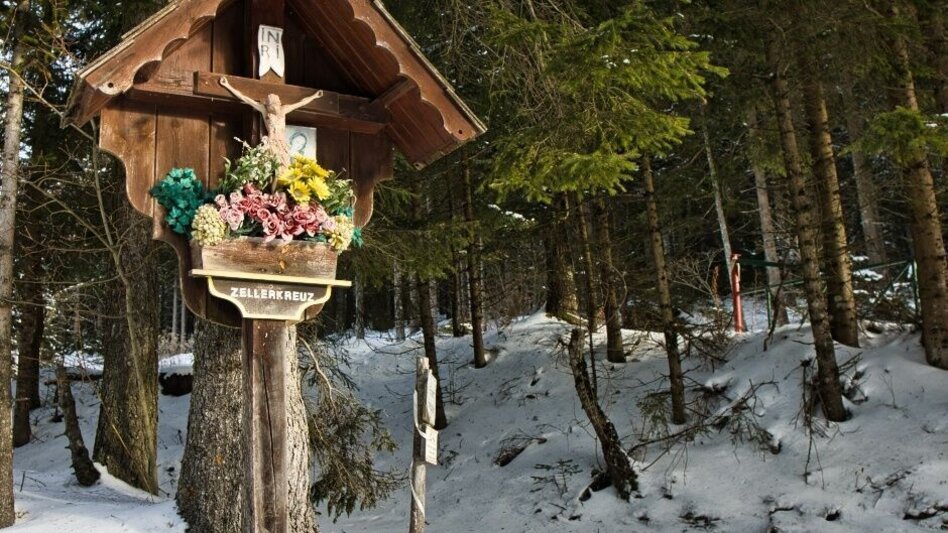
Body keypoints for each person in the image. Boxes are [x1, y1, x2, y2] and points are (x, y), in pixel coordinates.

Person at [219, 76, 323, 187]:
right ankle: (270, 190)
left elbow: (301, 103)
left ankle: (281, 191)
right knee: (270, 170)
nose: (272, 108)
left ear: (279, 103)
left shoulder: (284, 110)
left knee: (284, 169)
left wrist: (315, 96)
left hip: (282, 145)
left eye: (274, 105)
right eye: (270, 106)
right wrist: (227, 85)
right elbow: (245, 99)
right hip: (270, 144)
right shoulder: (264, 110)